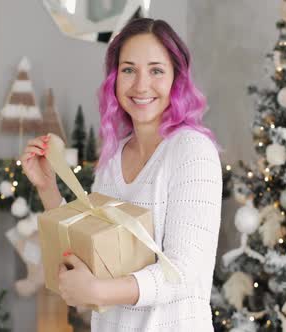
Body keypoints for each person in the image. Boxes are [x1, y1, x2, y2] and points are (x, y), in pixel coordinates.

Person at [21, 18, 222, 332]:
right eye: (129, 69)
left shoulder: (192, 151)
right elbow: (90, 242)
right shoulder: (113, 155)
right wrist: (48, 187)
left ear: (175, 78)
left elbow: (184, 272)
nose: (141, 85)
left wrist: (98, 291)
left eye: (156, 70)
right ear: (114, 79)